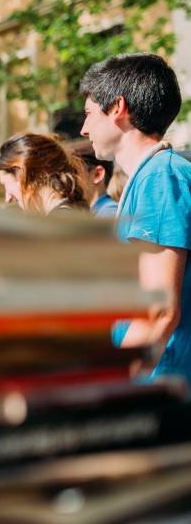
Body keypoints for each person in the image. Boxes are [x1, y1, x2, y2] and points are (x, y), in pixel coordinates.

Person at [79, 52, 191, 381]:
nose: (84, 129)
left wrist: (106, 387)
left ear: (117, 108)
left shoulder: (160, 176)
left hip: (170, 390)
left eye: (88, 114)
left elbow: (158, 313)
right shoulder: (156, 174)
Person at [0, 132, 89, 214]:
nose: (7, 198)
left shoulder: (59, 224)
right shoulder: (71, 213)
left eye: (5, 184)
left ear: (22, 174)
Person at [74, 141, 118, 217]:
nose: (66, 180)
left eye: (74, 172)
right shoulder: (98, 213)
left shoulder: (108, 214)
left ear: (97, 174)